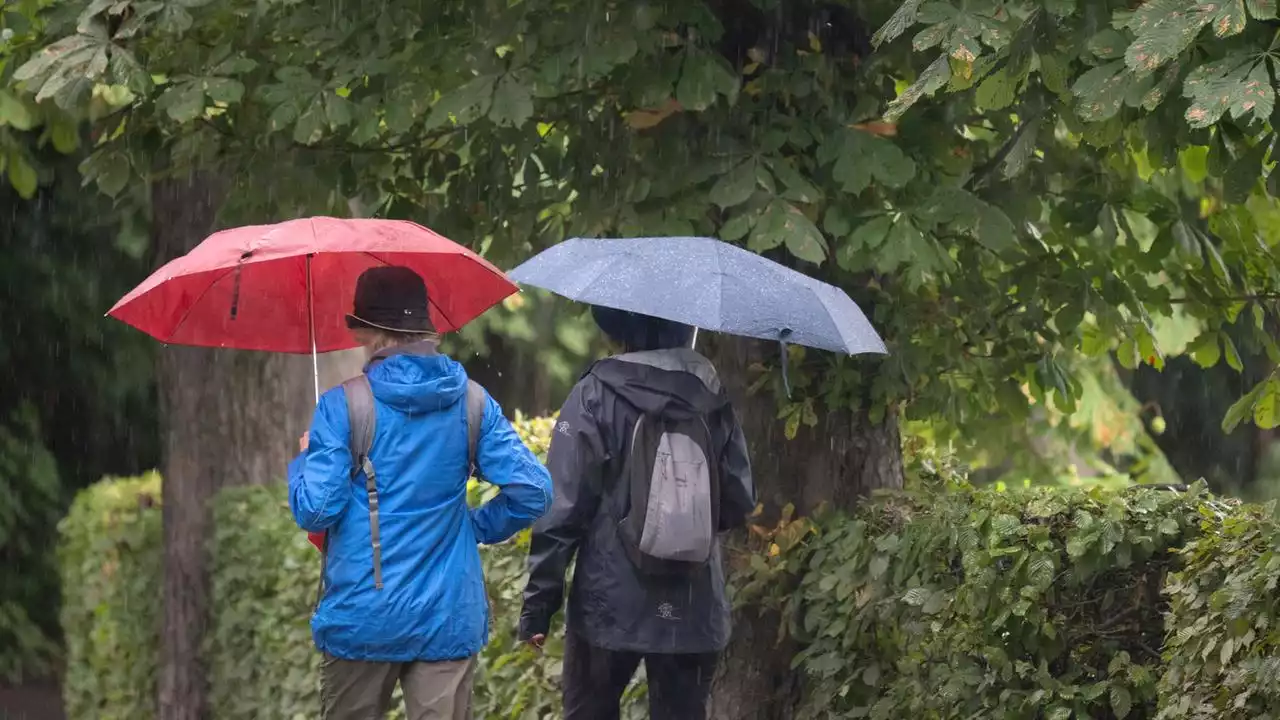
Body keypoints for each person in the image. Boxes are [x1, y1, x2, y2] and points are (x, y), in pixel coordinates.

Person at [289, 266, 553, 720]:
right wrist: (474, 527)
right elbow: (534, 491)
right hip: (447, 614)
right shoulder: (472, 401)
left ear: (367, 332)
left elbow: (316, 510)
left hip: (362, 617)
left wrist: (304, 460)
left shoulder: (342, 405)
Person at [518, 306, 755, 720]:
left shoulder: (595, 392)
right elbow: (737, 500)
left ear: (619, 329)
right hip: (694, 603)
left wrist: (539, 606)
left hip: (609, 603)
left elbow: (563, 508)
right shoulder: (713, 397)